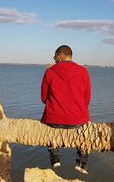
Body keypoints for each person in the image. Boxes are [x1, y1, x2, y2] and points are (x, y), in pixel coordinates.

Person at [41, 45, 91, 174]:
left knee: (48, 129)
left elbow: (43, 97)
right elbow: (87, 98)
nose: (54, 59)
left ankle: (55, 157)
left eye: (55, 56)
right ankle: (81, 163)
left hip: (53, 119)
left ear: (61, 55)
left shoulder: (49, 72)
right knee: (87, 130)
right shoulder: (83, 71)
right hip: (77, 120)